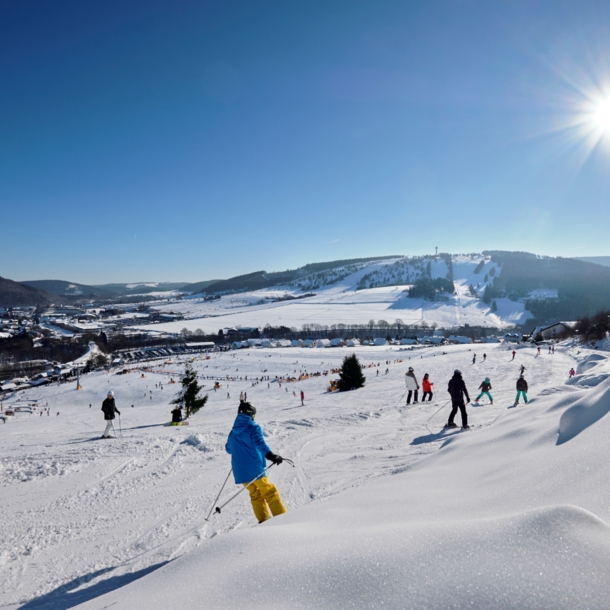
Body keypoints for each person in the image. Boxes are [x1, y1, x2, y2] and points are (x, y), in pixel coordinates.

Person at [225, 402, 287, 524]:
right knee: (269, 492)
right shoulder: (253, 427)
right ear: (251, 414)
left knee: (255, 494)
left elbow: (228, 449)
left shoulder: (233, 432)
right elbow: (260, 444)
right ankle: (282, 520)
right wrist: (271, 456)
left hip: (240, 471)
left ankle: (263, 520)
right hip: (254, 469)